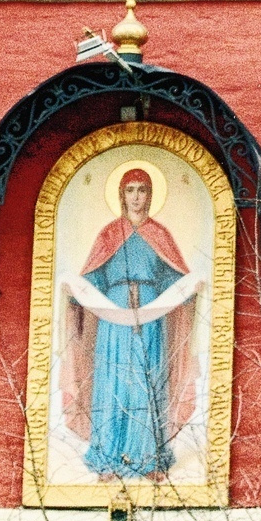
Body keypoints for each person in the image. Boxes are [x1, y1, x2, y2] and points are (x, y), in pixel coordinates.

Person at [62, 165, 203, 480]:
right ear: (121, 195)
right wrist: (76, 292)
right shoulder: (109, 235)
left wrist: (189, 289)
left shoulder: (160, 235)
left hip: (151, 318)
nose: (136, 197)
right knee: (114, 384)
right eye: (130, 190)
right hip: (114, 320)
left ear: (150, 194)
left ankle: (150, 457)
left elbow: (174, 279)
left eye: (142, 189)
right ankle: (110, 458)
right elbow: (93, 278)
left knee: (146, 381)